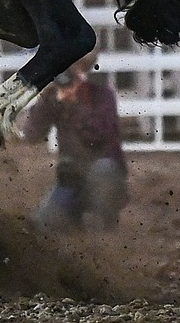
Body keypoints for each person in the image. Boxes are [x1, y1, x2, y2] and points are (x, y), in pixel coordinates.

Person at [17, 50, 129, 232]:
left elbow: (99, 135)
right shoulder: (55, 98)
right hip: (72, 174)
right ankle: (71, 220)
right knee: (45, 220)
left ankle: (103, 224)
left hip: (104, 172)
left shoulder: (101, 93)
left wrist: (77, 103)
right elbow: (31, 135)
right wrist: (46, 102)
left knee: (103, 172)